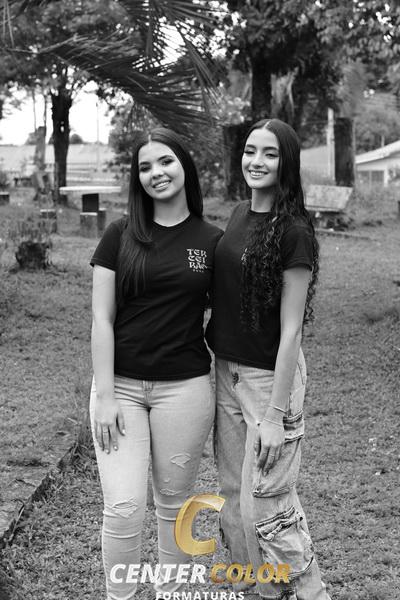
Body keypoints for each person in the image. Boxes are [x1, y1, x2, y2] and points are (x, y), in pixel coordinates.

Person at [89, 127, 222, 600]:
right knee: (124, 508)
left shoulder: (212, 241)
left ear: (184, 165)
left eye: (165, 161)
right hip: (120, 390)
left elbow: (230, 316)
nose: (156, 173)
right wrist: (105, 396)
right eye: (144, 167)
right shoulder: (119, 235)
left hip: (184, 390)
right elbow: (101, 319)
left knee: (175, 507)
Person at [206, 119, 331, 600]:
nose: (256, 161)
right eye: (250, 151)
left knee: (268, 503)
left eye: (270, 154)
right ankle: (255, 585)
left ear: (287, 164)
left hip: (267, 381)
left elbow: (292, 329)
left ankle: (309, 593)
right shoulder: (239, 214)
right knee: (233, 495)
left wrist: (276, 415)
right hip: (226, 371)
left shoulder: (293, 231)